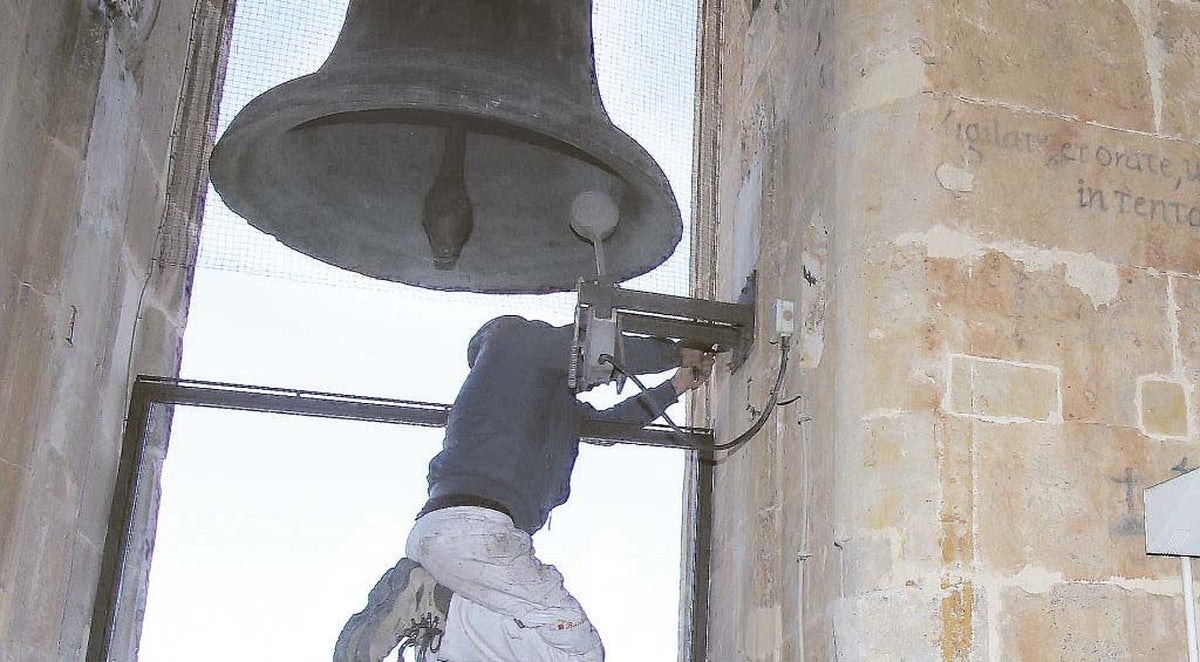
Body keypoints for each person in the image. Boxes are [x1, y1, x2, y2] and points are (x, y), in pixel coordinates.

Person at [334, 315, 715, 661]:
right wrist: (679, 351)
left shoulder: (550, 406)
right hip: (476, 530)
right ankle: (437, 605)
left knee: (524, 642)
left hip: (462, 539)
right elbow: (600, 352)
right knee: (577, 651)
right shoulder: (511, 341)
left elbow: (609, 428)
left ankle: (439, 622)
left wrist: (678, 382)